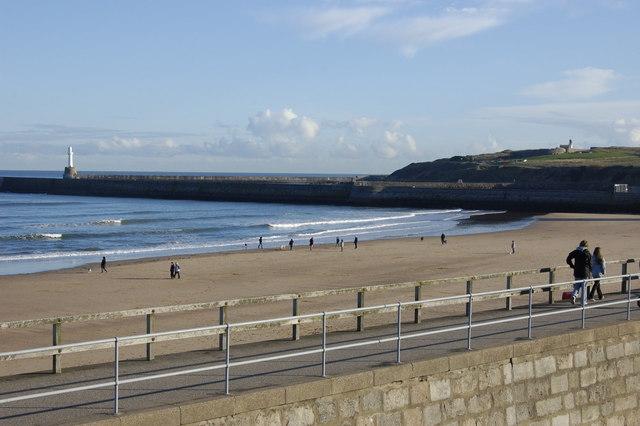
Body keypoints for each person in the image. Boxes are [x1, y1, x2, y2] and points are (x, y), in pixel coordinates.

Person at [566, 240, 592, 305]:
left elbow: (568, 259)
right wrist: (591, 270)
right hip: (585, 272)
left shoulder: (576, 252)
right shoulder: (587, 253)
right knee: (584, 287)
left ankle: (574, 295)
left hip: (577, 271)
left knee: (577, 285)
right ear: (587, 246)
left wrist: (572, 266)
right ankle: (583, 302)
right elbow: (590, 263)